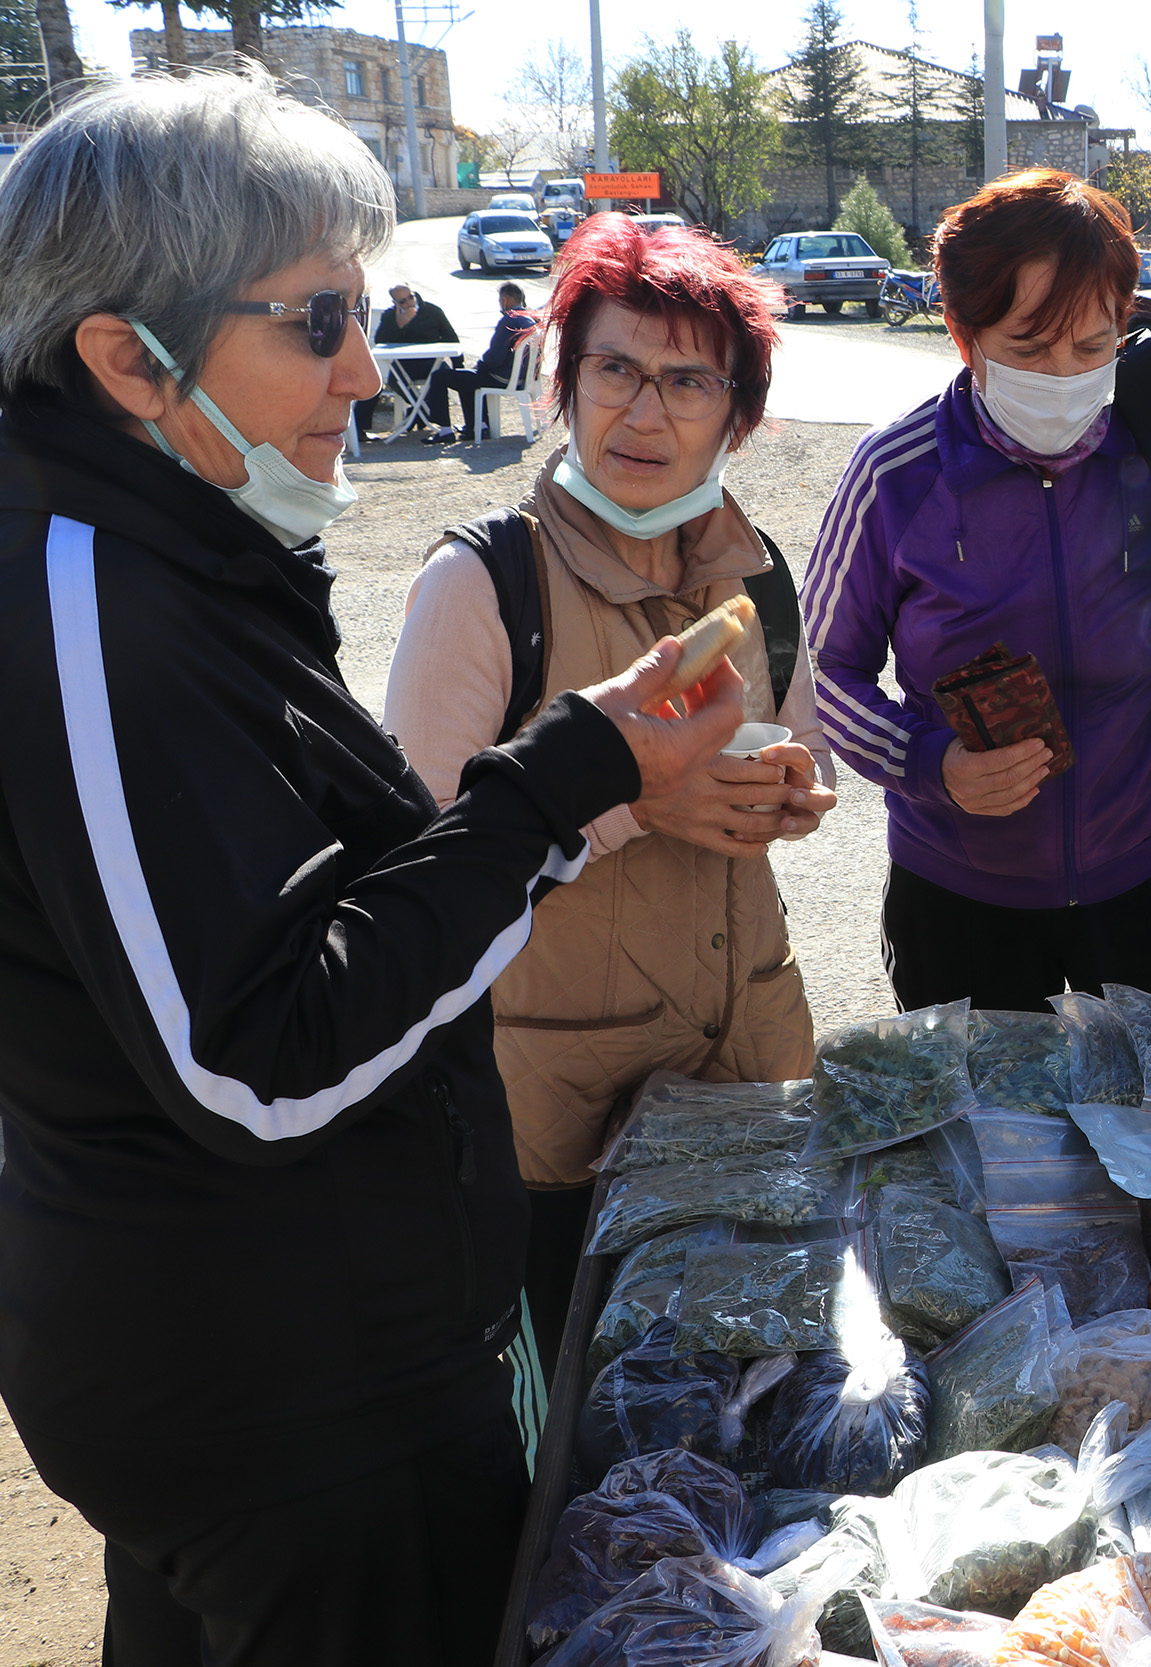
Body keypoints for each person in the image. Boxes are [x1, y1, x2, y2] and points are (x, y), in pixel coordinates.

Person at [0, 71, 744, 1664]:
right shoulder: (83, 596)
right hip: (287, 1403)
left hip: (300, 1363)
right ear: (126, 357)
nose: (370, 365)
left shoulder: (172, 543)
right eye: (318, 318)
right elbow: (250, 1057)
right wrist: (565, 780)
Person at [384, 211, 835, 1365]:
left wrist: (789, 791)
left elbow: (799, 743)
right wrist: (638, 803)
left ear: (737, 413)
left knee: (736, 1417)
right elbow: (416, 868)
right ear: (564, 381)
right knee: (575, 1445)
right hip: (556, 1123)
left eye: (688, 380)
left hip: (745, 1075)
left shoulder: (758, 574)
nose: (644, 412)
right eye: (615, 369)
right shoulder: (483, 582)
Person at [805, 169, 1151, 1017]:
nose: (1062, 375)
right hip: (960, 896)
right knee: (986, 1143)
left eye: (1092, 347)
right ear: (962, 332)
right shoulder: (895, 474)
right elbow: (821, 671)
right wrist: (928, 763)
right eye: (1026, 346)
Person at [424, 278, 537, 442]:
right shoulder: (529, 319)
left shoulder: (509, 320)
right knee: (466, 378)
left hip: (503, 378)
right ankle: (478, 426)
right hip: (521, 377)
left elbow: (495, 357)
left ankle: (445, 430)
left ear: (505, 300)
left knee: (440, 376)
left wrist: (480, 367)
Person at [354, 281, 458, 439]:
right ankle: (423, 410)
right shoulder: (390, 315)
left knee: (441, 376)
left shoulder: (432, 311)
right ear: (395, 303)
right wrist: (400, 324)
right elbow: (381, 341)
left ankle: (441, 425)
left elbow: (452, 338)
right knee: (387, 381)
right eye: (403, 301)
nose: (409, 303)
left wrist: (458, 364)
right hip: (405, 365)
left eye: (411, 297)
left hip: (432, 361)